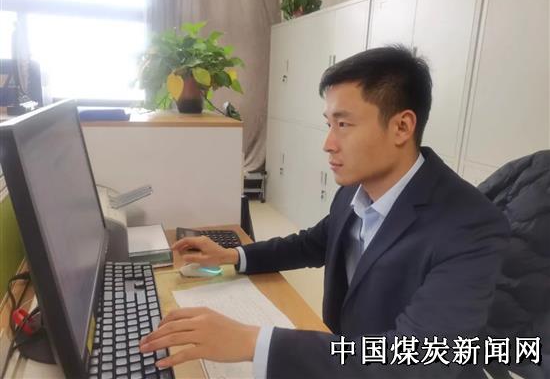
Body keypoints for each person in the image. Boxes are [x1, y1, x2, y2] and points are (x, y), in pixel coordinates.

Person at [139, 46, 510, 378]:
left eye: (343, 125)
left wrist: (253, 342)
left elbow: (417, 361)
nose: (328, 144)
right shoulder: (356, 187)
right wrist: (233, 255)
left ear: (402, 127)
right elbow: (313, 243)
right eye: (328, 124)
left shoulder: (471, 227)